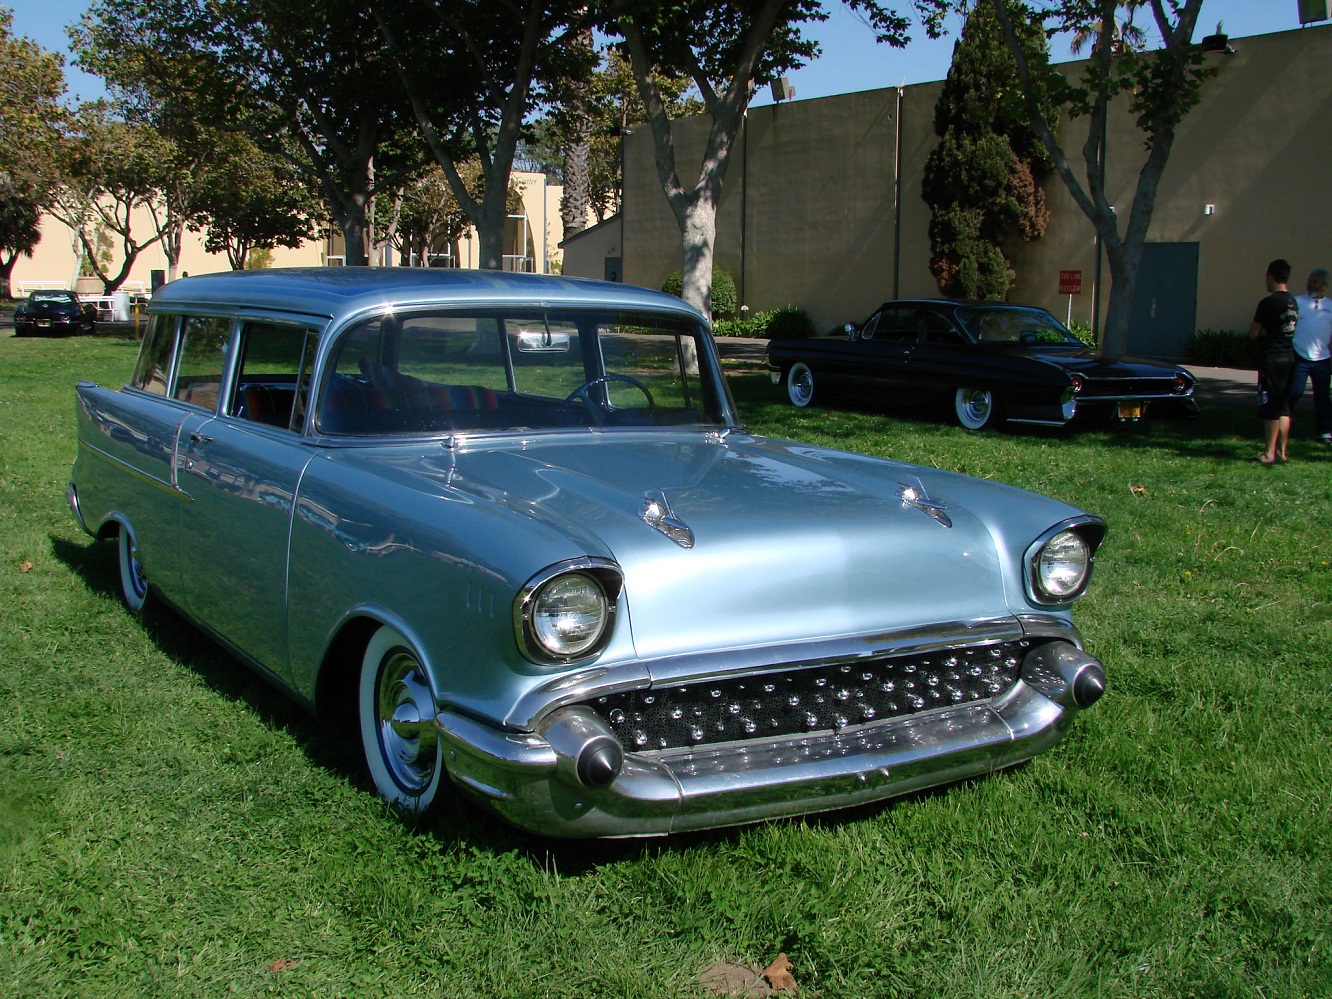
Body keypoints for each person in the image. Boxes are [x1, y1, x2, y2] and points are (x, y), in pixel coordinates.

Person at [1250, 259, 1299, 463]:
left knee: (1270, 405)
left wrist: (1262, 332)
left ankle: (1269, 453)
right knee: (1284, 406)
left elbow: (1253, 332)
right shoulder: (1292, 301)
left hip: (1272, 357)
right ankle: (1282, 451)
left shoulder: (1269, 302)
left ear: (1271, 276)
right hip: (1289, 356)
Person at [1288, 267, 1332, 445]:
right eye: (1309, 280)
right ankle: (1280, 423)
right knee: (1294, 393)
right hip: (1300, 356)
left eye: (1315, 281)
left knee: (1322, 397)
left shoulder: (1330, 306)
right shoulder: (1297, 302)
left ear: (1324, 286)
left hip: (1322, 358)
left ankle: (1324, 431)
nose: (1310, 283)